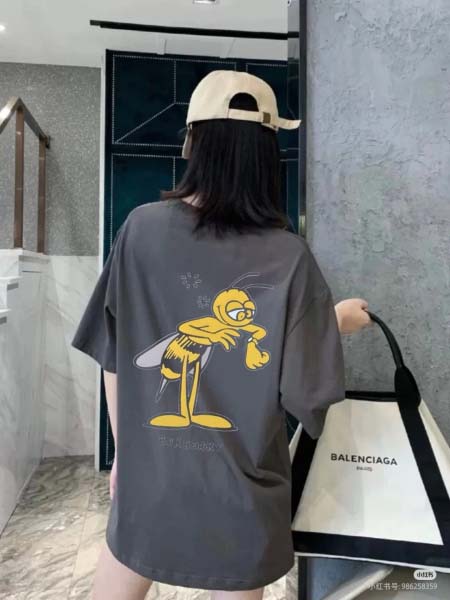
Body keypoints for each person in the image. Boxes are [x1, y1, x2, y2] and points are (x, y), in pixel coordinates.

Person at [71, 70, 371, 600]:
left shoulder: (140, 229)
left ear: (192, 142)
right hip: (242, 496)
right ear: (267, 154)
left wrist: (127, 456)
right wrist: (334, 322)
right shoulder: (289, 256)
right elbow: (306, 397)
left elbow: (114, 356)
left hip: (151, 480)